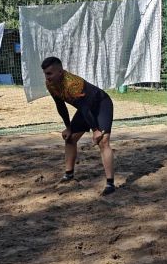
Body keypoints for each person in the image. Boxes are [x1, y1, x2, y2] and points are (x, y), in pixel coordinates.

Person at [41, 57, 116, 196]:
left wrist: (95, 130)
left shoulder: (72, 83)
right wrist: (68, 127)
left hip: (101, 104)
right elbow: (60, 106)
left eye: (50, 73)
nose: (47, 77)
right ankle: (68, 175)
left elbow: (85, 108)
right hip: (85, 109)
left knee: (103, 141)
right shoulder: (50, 84)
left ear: (60, 72)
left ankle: (110, 184)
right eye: (45, 74)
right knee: (70, 138)